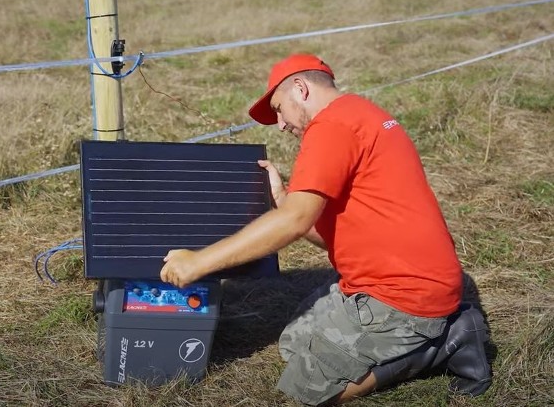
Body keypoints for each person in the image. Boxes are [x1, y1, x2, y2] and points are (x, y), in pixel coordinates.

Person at [159, 54, 492, 405]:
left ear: (300, 89)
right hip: (390, 279)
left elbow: (295, 222)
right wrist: (285, 200)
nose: (280, 124)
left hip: (405, 295)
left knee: (308, 388)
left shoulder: (331, 127)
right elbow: (332, 232)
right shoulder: (358, 114)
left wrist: (198, 262)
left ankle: (447, 342)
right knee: (293, 343)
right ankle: (423, 334)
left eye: (278, 108)